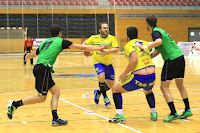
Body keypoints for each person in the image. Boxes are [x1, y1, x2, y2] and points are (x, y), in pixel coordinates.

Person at [7, 25, 109, 126]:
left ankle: (55, 118)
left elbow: (34, 54)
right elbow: (81, 47)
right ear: (60, 33)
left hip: (41, 68)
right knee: (41, 98)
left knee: (56, 92)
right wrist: (99, 49)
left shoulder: (45, 42)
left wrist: (26, 57)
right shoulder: (61, 41)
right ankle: (15, 104)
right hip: (43, 69)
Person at [137, 15, 192, 122]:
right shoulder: (161, 31)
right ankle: (187, 109)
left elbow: (159, 42)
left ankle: (173, 112)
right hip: (180, 57)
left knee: (164, 87)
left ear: (147, 24)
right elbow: (157, 50)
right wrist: (147, 58)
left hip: (171, 59)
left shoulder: (155, 32)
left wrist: (144, 47)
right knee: (180, 85)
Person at [109, 27, 157, 123]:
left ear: (127, 36)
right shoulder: (144, 43)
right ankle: (154, 113)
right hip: (152, 76)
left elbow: (134, 59)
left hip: (139, 77)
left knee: (115, 89)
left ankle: (119, 116)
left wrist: (124, 74)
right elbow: (156, 52)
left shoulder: (128, 45)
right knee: (148, 91)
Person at [82, 22, 119, 106]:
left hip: (108, 63)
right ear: (100, 29)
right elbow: (84, 44)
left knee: (110, 85)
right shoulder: (93, 38)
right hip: (97, 62)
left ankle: (98, 92)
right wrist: (86, 50)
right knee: (101, 76)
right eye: (104, 28)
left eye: (107, 28)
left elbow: (116, 49)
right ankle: (105, 97)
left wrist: (107, 51)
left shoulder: (112, 38)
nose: (106, 29)